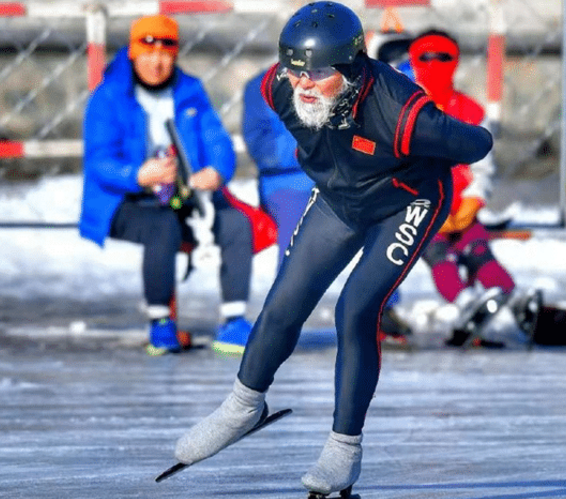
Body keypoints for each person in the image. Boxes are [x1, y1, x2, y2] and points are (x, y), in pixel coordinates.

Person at [171, 3, 492, 497]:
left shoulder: (404, 113)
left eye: (318, 72)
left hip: (407, 201)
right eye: (295, 67)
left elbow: (478, 143)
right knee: (285, 301)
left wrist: (441, 136)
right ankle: (242, 405)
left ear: (351, 67)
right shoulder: (278, 87)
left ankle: (344, 448)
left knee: (355, 309)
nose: (302, 83)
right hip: (340, 198)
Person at [79, 14, 254, 356]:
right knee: (161, 228)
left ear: (175, 55)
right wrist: (137, 175)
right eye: (148, 53)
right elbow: (98, 161)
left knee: (236, 223)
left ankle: (234, 321)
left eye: (165, 54)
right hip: (127, 199)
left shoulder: (190, 91)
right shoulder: (109, 96)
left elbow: (217, 140)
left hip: (182, 194)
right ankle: (160, 322)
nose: (156, 63)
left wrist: (216, 172)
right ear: (133, 54)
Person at [242, 68, 412, 341]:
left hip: (342, 172)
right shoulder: (261, 84)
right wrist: (314, 143)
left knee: (382, 218)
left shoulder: (344, 77)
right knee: (297, 234)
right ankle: (282, 314)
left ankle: (381, 308)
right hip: (288, 179)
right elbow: (262, 146)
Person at [409, 29, 536, 347]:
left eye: (444, 57)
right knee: (439, 255)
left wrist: (472, 202)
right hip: (419, 208)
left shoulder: (469, 110)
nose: (434, 64)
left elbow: (483, 167)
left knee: (479, 251)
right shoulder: (402, 108)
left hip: (460, 206)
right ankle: (466, 302)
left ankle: (510, 299)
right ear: (414, 61)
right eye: (426, 57)